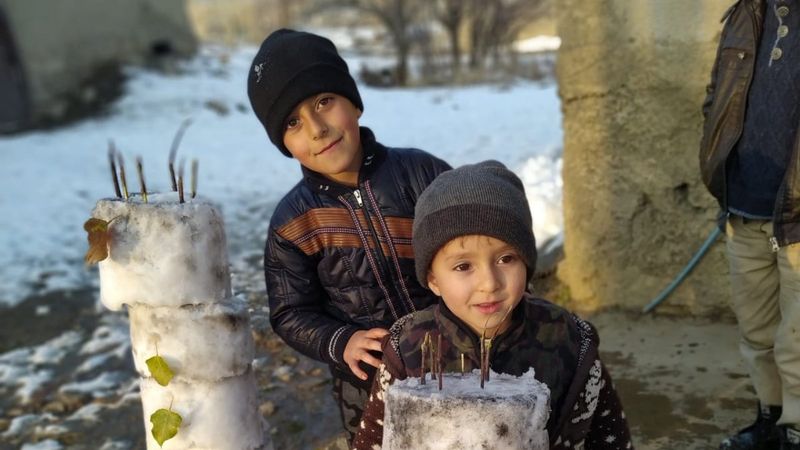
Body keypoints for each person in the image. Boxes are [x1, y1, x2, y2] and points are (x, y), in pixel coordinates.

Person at [246, 29, 451, 442]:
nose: (318, 128)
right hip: (367, 385)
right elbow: (290, 312)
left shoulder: (422, 175)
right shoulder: (293, 223)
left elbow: (477, 242)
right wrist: (342, 341)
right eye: (294, 122)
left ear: (353, 102)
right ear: (284, 142)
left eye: (324, 102)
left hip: (456, 355)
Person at [353, 161, 632, 449]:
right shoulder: (408, 349)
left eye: (506, 259)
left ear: (526, 262)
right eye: (463, 266)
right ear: (433, 279)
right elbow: (373, 442)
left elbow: (609, 437)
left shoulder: (570, 341)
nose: (490, 283)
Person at [699, 1, 800, 448]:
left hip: (797, 215)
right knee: (757, 333)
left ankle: (797, 429)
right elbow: (717, 93)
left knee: (798, 343)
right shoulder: (748, 11)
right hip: (744, 205)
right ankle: (770, 420)